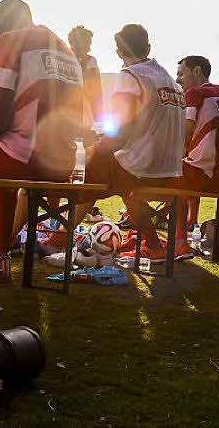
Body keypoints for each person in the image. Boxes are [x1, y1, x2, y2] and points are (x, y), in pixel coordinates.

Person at [0, 0, 83, 274]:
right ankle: (2, 253)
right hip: (61, 163)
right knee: (5, 165)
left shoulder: (11, 41)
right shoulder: (68, 52)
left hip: (22, 157)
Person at [79, 24, 186, 262]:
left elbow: (122, 128)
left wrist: (96, 148)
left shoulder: (131, 75)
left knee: (89, 170)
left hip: (144, 167)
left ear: (118, 52)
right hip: (171, 168)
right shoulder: (170, 80)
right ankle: (151, 241)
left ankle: (62, 239)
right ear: (148, 47)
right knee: (119, 171)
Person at [173, 55, 219, 260]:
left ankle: (179, 242)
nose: (178, 80)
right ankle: (191, 224)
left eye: (181, 74)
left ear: (196, 71)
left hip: (203, 176)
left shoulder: (195, 94)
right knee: (189, 165)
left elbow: (185, 132)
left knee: (163, 173)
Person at [68, 25, 103, 139]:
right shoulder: (66, 58)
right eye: (87, 44)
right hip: (70, 109)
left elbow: (95, 87)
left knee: (87, 141)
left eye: (89, 44)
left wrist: (98, 114)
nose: (89, 48)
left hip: (85, 109)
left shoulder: (90, 61)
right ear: (73, 44)